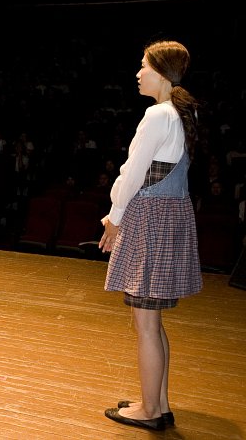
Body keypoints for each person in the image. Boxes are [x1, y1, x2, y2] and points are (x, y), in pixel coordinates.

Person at [99, 40, 202, 431]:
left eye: (143, 65)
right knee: (153, 321)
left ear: (160, 72)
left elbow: (132, 172)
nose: (138, 73)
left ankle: (148, 411)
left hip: (151, 220)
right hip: (170, 216)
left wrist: (114, 218)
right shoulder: (181, 113)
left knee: (145, 323)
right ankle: (157, 402)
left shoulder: (158, 114)